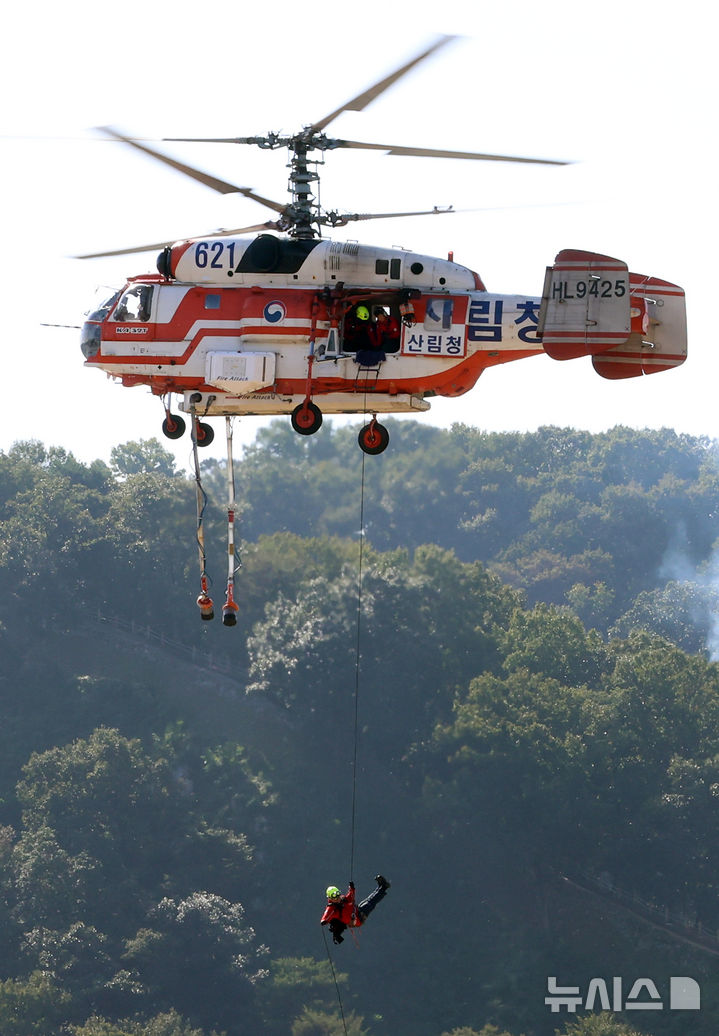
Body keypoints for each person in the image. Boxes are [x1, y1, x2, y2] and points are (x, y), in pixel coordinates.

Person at [321, 875, 391, 944]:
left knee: (368, 900)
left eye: (338, 895)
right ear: (330, 898)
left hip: (357, 911)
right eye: (335, 897)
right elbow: (326, 916)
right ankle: (383, 887)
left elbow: (350, 897)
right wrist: (324, 921)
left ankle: (380, 887)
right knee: (370, 902)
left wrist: (352, 888)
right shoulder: (332, 908)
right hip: (358, 918)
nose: (338, 898)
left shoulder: (342, 899)